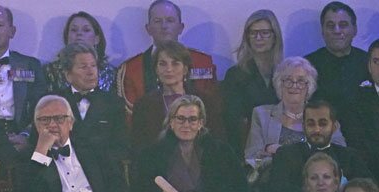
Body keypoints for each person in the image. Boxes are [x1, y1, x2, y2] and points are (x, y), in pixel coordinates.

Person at [245, 57, 345, 180]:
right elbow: (252, 158)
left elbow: (339, 152)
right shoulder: (261, 114)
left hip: (317, 180)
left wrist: (280, 151)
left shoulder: (323, 115)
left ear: (310, 86)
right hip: (275, 180)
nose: (294, 86)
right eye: (288, 80)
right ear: (278, 84)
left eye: (301, 81)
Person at [117, 0, 216, 120]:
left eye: (170, 20)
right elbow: (131, 119)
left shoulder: (203, 62)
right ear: (148, 29)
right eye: (157, 21)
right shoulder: (131, 69)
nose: (164, 26)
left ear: (181, 27)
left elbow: (212, 109)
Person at [0, 4, 47, 151]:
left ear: (12, 31)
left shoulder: (30, 65)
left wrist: (26, 135)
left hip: (19, 135)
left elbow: (41, 106)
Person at [269, 100, 372, 192]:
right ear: (303, 126)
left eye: (322, 124)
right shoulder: (286, 155)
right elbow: (278, 190)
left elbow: (369, 188)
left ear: (334, 127)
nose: (317, 129)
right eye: (311, 124)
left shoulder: (349, 156)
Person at [131, 40, 225, 149]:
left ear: (185, 69)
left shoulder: (206, 102)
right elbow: (138, 147)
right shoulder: (144, 105)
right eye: (162, 64)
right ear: (156, 69)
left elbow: (218, 143)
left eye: (175, 63)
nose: (169, 69)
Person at [55, 42, 129, 160]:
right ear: (68, 75)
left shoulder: (113, 102)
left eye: (93, 66)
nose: (91, 72)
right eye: (84, 67)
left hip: (103, 172)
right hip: (65, 171)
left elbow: (122, 146)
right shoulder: (53, 104)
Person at [221, 10, 282, 151]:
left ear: (275, 36)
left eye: (264, 32)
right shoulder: (235, 75)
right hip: (248, 146)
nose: (258, 37)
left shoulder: (285, 72)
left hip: (281, 145)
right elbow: (232, 122)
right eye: (252, 33)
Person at [305, 2, 369, 122]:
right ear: (322, 31)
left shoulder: (370, 62)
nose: (337, 31)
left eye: (343, 25)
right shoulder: (307, 65)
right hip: (322, 135)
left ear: (354, 30)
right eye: (330, 25)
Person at [43, 11, 117, 93]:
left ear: (97, 39)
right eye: (74, 30)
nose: (79, 34)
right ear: (67, 37)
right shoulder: (50, 71)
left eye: (86, 30)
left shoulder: (111, 73)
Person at [340, 38, 379, 178]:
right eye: (376, 61)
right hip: (371, 179)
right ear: (368, 66)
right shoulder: (355, 102)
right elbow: (357, 147)